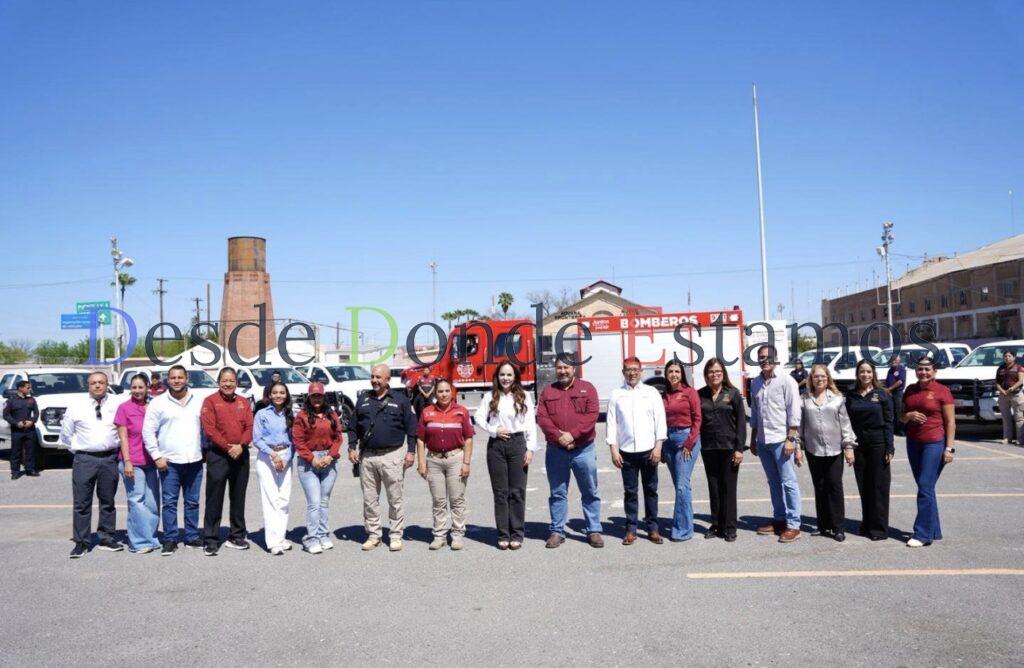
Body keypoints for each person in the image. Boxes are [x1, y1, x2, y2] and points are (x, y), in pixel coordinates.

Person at [347, 364, 417, 552]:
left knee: (395, 498)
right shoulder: (363, 399)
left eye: (379, 377)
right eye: (373, 377)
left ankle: (395, 535)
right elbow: (352, 426)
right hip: (368, 457)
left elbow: (412, 429)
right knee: (370, 500)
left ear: (388, 380)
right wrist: (352, 447)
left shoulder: (401, 400)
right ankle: (374, 535)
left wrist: (411, 452)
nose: (375, 380)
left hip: (392, 456)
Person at [536, 355, 603, 549]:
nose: (562, 371)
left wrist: (572, 435)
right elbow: (543, 418)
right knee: (558, 493)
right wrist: (560, 437)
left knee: (590, 491)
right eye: (559, 368)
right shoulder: (548, 391)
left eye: (566, 367)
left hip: (583, 449)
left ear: (574, 369)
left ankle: (594, 529)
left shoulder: (587, 388)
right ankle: (557, 531)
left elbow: (592, 415)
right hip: (556, 450)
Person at [59, 371, 123, 558]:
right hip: (84, 459)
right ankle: (81, 542)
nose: (97, 386)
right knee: (81, 503)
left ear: (107, 384)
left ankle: (106, 537)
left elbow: (122, 429)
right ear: (88, 385)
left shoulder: (116, 403)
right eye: (93, 383)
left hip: (109, 459)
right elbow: (66, 435)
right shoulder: (76, 407)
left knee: (108, 501)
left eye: (101, 382)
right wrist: (82, 451)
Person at [474, 362, 538, 550]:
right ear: (497, 376)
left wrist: (530, 449)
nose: (506, 378)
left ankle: (517, 533)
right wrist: (493, 430)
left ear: (515, 377)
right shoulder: (490, 396)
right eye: (502, 374)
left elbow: (530, 423)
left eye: (509, 375)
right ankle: (503, 534)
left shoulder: (524, 396)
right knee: (500, 493)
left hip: (518, 444)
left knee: (517, 492)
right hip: (497, 447)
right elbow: (477, 417)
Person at [143, 365, 205, 556]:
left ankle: (192, 536)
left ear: (187, 379)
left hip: (194, 460)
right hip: (169, 462)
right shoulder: (158, 403)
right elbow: (148, 432)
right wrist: (157, 456)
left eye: (180, 377)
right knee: (169, 502)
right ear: (167, 381)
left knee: (192, 502)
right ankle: (170, 539)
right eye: (172, 378)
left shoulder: (199, 401)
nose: (176, 381)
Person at [607, 357, 667, 545]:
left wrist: (658, 446)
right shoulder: (616, 394)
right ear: (623, 372)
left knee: (651, 490)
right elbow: (611, 424)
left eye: (635, 369)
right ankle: (631, 529)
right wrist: (613, 450)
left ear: (641, 371)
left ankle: (652, 528)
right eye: (628, 370)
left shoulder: (651, 393)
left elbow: (660, 421)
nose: (632, 373)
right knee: (630, 492)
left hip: (649, 451)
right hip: (626, 452)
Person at [749, 344, 803, 543]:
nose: (764, 360)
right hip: (763, 441)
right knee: (773, 483)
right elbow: (755, 413)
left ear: (776, 357)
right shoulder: (755, 382)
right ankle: (779, 519)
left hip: (782, 440)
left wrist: (791, 439)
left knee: (788, 482)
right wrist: (753, 439)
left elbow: (794, 413)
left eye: (768, 357)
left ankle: (794, 524)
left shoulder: (787, 381)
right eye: (761, 357)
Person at [901, 356, 956, 547]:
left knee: (925, 485)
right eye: (920, 369)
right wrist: (908, 415)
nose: (923, 372)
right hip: (913, 443)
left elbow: (950, 422)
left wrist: (949, 448)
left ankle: (922, 534)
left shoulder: (942, 391)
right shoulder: (910, 390)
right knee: (927, 487)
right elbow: (902, 416)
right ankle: (934, 530)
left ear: (934, 371)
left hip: (934, 443)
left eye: (927, 369)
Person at [799, 364, 857, 542]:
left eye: (823, 376)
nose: (820, 379)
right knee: (820, 486)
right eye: (816, 376)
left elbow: (845, 424)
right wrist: (797, 448)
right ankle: (823, 525)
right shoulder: (804, 399)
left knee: (834, 487)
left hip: (834, 450)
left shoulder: (837, 398)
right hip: (813, 449)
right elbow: (800, 425)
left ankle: (838, 527)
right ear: (811, 379)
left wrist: (848, 447)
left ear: (828, 378)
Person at [200, 367, 254, 555]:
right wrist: (228, 447)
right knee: (214, 497)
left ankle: (237, 535)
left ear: (236, 383)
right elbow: (210, 429)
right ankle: (211, 539)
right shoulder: (210, 402)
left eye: (231, 381)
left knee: (238, 497)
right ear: (218, 382)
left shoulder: (244, 402)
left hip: (241, 453)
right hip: (219, 455)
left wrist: (242, 445)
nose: (228, 384)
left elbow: (249, 426)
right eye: (224, 380)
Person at [417, 378, 474, 550]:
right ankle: (439, 535)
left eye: (447, 391)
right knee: (438, 501)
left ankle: (457, 535)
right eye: (440, 391)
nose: (444, 394)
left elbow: (469, 439)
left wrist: (466, 463)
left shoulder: (462, 412)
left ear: (452, 392)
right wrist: (421, 463)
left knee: (457, 500)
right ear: (435, 393)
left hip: (455, 459)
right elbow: (420, 440)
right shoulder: (427, 412)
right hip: (433, 461)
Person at [846, 359, 895, 541]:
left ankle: (879, 529)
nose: (865, 375)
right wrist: (848, 446)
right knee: (864, 485)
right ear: (857, 374)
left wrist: (889, 447)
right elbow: (846, 422)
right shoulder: (851, 395)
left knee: (879, 486)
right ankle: (866, 524)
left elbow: (890, 422)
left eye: (868, 371)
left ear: (873, 374)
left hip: (878, 443)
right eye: (861, 372)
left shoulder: (882, 394)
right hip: (859, 444)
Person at [697, 358, 746, 541]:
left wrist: (739, 448)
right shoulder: (700, 394)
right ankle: (716, 524)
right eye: (711, 372)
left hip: (729, 449)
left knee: (728, 488)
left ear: (723, 373)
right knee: (714, 487)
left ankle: (730, 527)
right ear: (706, 375)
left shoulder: (732, 394)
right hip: (709, 448)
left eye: (718, 371)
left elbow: (741, 423)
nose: (715, 374)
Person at [293, 382, 343, 554]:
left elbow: (338, 437)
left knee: (324, 501)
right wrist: (312, 459)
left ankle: (323, 534)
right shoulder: (302, 415)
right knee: (314, 502)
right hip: (309, 462)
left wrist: (330, 456)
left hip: (329, 460)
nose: (316, 399)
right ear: (309, 396)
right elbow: (298, 441)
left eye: (319, 395)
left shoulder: (331, 414)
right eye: (313, 395)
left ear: (324, 396)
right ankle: (312, 538)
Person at [114, 374, 160, 553]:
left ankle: (151, 538)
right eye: (134, 387)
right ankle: (139, 542)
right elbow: (123, 437)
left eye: (141, 387)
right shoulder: (124, 408)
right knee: (136, 501)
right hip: (133, 461)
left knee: (152, 503)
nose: (137, 391)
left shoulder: (154, 406)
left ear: (148, 387)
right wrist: (127, 462)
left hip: (152, 461)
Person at [661, 359, 702, 541]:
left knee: (681, 486)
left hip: (686, 439)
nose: (674, 375)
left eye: (677, 371)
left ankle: (683, 530)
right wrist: (661, 446)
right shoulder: (664, 395)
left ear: (682, 374)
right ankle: (685, 523)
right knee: (681, 485)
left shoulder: (689, 392)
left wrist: (689, 443)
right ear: (666, 374)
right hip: (669, 441)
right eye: (670, 371)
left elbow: (698, 419)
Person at [253, 382, 295, 555]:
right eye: (275, 392)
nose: (278, 395)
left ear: (286, 395)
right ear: (269, 395)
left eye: (282, 392)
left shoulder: (290, 413)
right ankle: (273, 542)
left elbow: (295, 440)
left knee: (283, 499)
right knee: (271, 499)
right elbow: (257, 439)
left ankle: (281, 537)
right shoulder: (262, 414)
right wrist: (274, 455)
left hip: (286, 457)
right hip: (267, 457)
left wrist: (286, 458)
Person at [3, 380, 39, 478]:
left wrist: (32, 421)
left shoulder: (31, 400)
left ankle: (30, 470)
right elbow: (6, 415)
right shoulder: (11, 401)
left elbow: (36, 413)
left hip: (29, 430)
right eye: (28, 387)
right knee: (16, 452)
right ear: (20, 388)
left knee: (30, 451)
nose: (29, 389)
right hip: (17, 431)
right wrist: (15, 423)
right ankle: (15, 472)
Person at [995, 350, 1024, 445]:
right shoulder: (1000, 368)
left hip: (1016, 394)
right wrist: (1002, 390)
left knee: (1019, 418)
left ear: (1014, 357)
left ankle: (1020, 439)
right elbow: (997, 382)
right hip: (1003, 395)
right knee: (1006, 418)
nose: (1007, 358)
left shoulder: (1019, 368)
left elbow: (1021, 381)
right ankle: (1007, 438)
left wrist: (1012, 388)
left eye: (1009, 356)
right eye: (1005, 356)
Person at [885, 354, 907, 437]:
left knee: (899, 411)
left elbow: (900, 382)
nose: (893, 361)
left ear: (899, 361)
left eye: (895, 360)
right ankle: (895, 429)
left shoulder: (901, 369)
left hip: (898, 393)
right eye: (892, 360)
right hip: (891, 394)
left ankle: (901, 430)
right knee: (892, 411)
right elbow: (887, 381)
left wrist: (890, 388)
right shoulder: (890, 370)